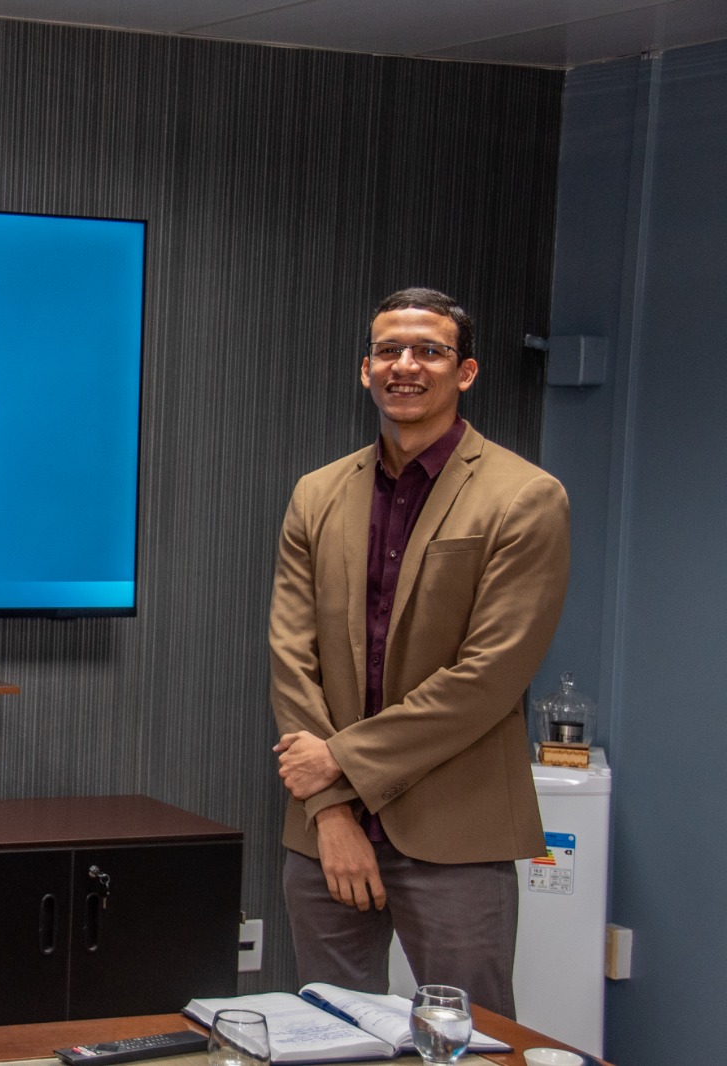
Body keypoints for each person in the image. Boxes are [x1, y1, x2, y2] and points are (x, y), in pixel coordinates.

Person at [268, 287, 570, 1017]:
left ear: (464, 373)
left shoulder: (525, 496)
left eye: (428, 351)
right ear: (364, 369)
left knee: (468, 1038)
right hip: (325, 835)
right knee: (331, 1034)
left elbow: (487, 677)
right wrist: (333, 812)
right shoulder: (317, 493)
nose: (405, 365)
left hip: (456, 834)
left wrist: (339, 762)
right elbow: (290, 653)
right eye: (388, 351)